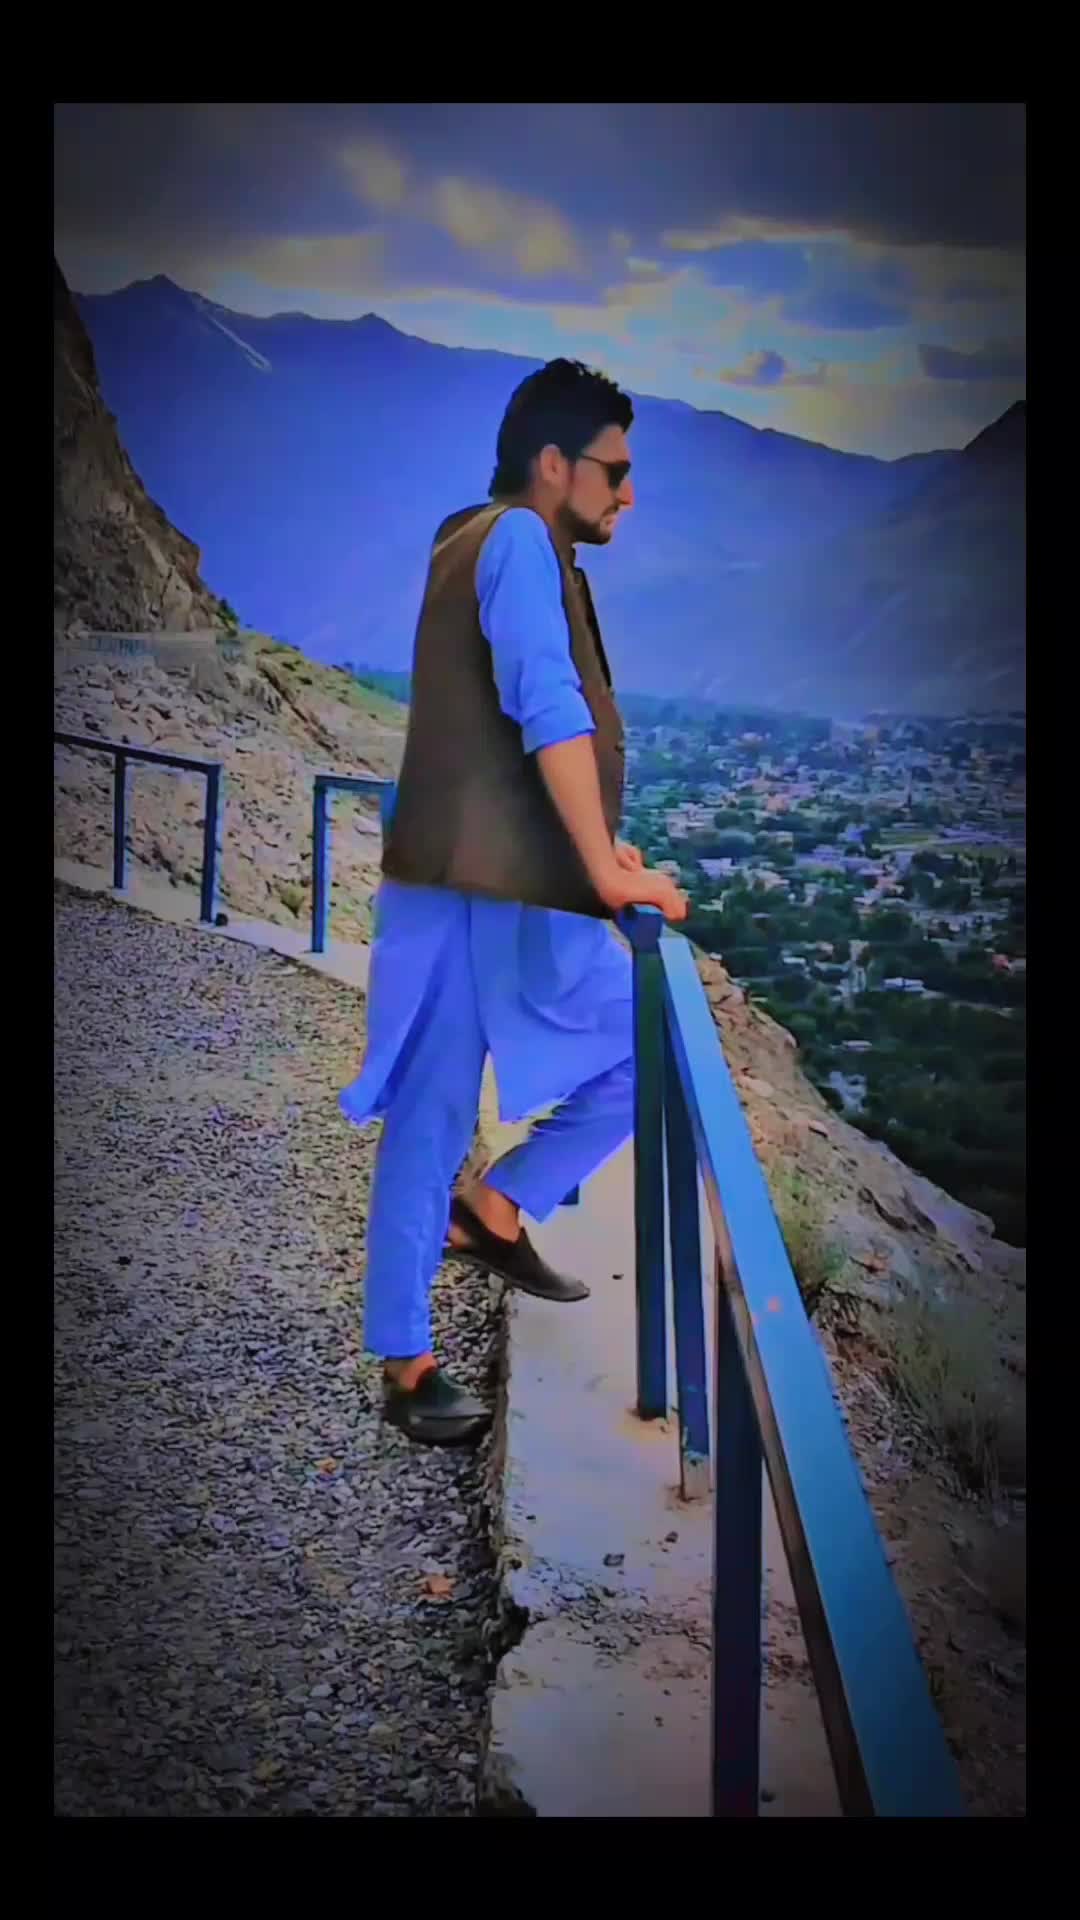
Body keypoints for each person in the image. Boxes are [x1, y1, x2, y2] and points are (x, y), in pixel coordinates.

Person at [340, 359, 687, 1446]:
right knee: (635, 1050)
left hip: (480, 886)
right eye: (613, 470)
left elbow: (499, 730)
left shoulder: (471, 536)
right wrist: (610, 875)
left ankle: (489, 1215)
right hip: (469, 896)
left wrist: (592, 846)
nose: (628, 492)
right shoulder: (522, 543)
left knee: (441, 1114)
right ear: (553, 464)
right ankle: (413, 1351)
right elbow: (546, 703)